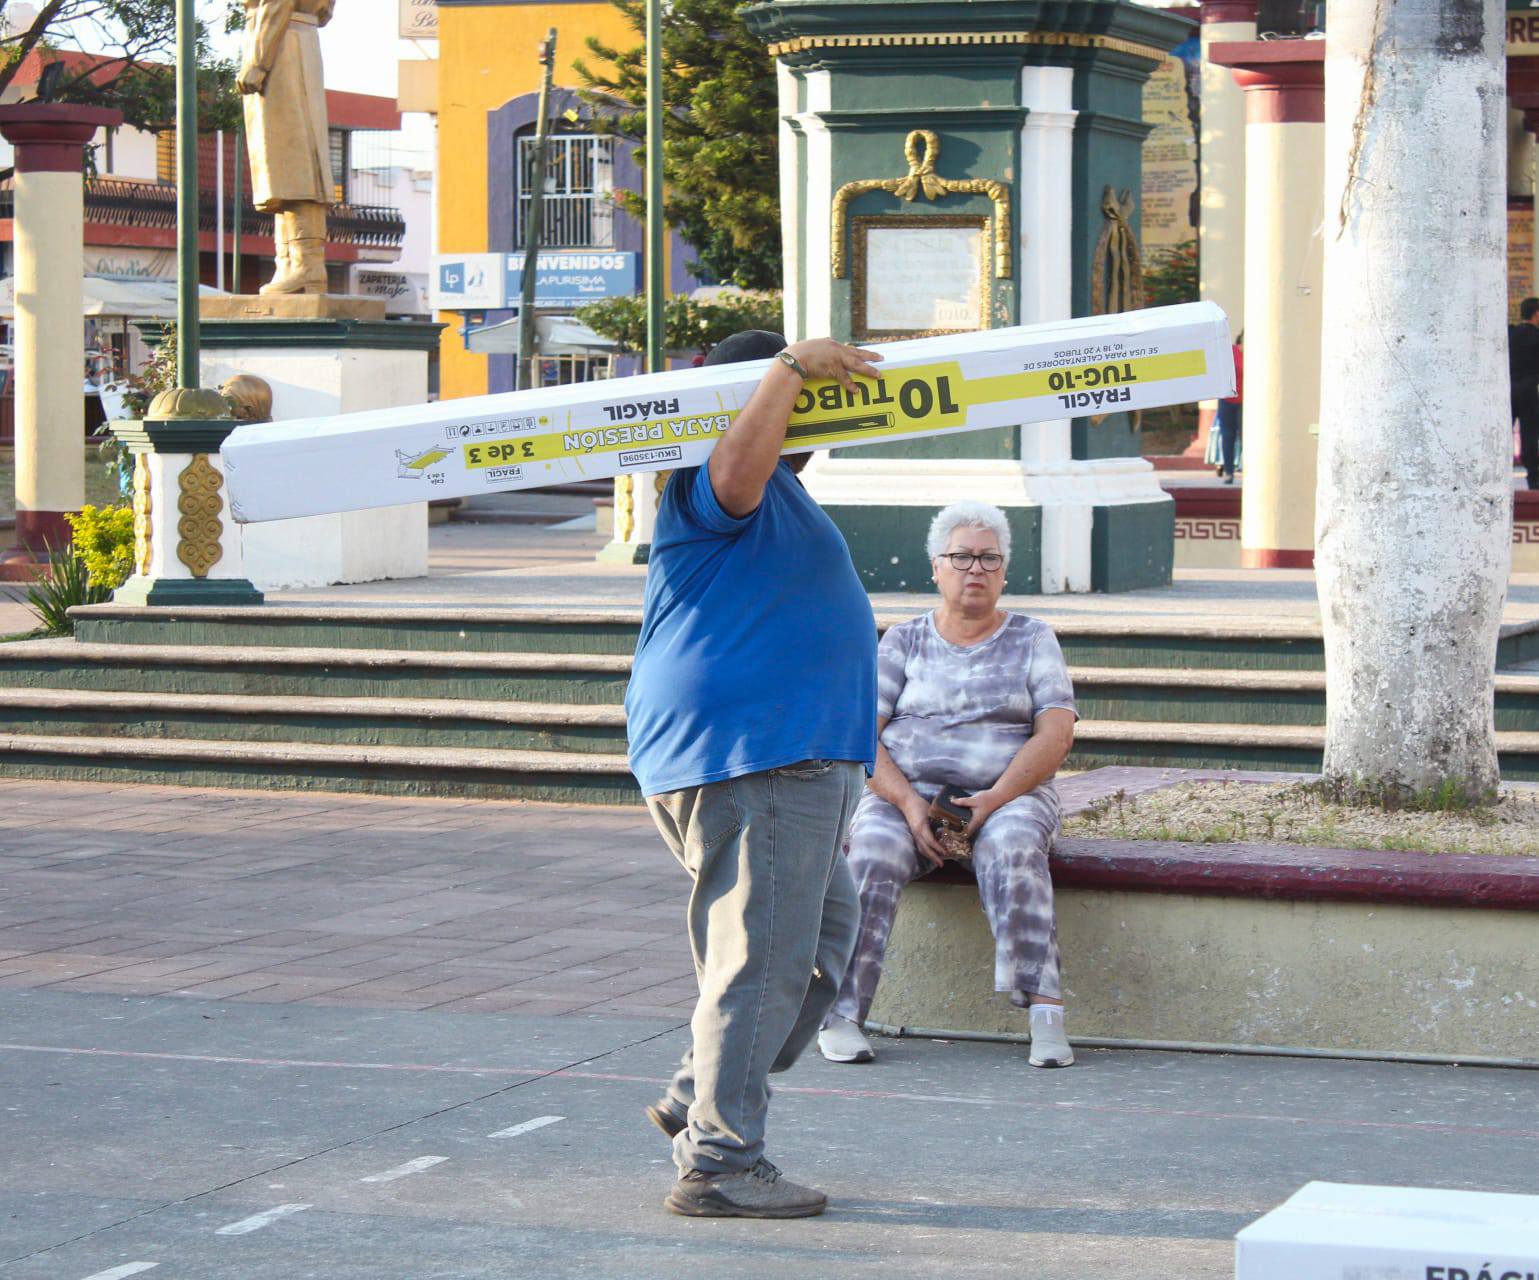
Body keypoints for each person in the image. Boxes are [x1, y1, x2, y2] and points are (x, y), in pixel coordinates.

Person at [625, 329, 884, 1219]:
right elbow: (736, 470)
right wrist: (790, 369)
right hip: (756, 757)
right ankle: (721, 1162)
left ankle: (696, 1089)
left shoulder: (783, 491)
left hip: (787, 759)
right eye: (807, 401)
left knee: (818, 947)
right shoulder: (711, 479)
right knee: (762, 962)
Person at [816, 500, 1079, 1070]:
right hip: (904, 796)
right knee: (873, 848)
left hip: (1010, 797)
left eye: (989, 558)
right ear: (936, 567)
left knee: (1013, 846)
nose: (975, 569)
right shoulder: (904, 640)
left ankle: (1045, 1012)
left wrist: (995, 798)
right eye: (961, 557)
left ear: (1005, 570)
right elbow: (861, 734)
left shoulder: (1034, 638)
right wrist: (910, 805)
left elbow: (1057, 734)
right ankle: (841, 1014)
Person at [238, 0, 335, 295]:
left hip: (281, 41)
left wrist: (257, 60)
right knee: (281, 164)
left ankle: (306, 264)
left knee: (295, 158)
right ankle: (289, 262)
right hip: (291, 36)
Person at [1509, 298, 1539, 491]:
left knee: (1505, 433)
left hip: (1509, 390)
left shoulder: (1510, 333)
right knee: (1530, 435)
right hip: (1529, 391)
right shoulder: (1536, 336)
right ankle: (1533, 479)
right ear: (1536, 313)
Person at [1217, 334, 1244, 485]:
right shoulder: (1231, 351)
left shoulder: (1256, 354)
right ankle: (1228, 472)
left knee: (1245, 437)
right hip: (1227, 400)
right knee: (1227, 437)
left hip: (1244, 402)